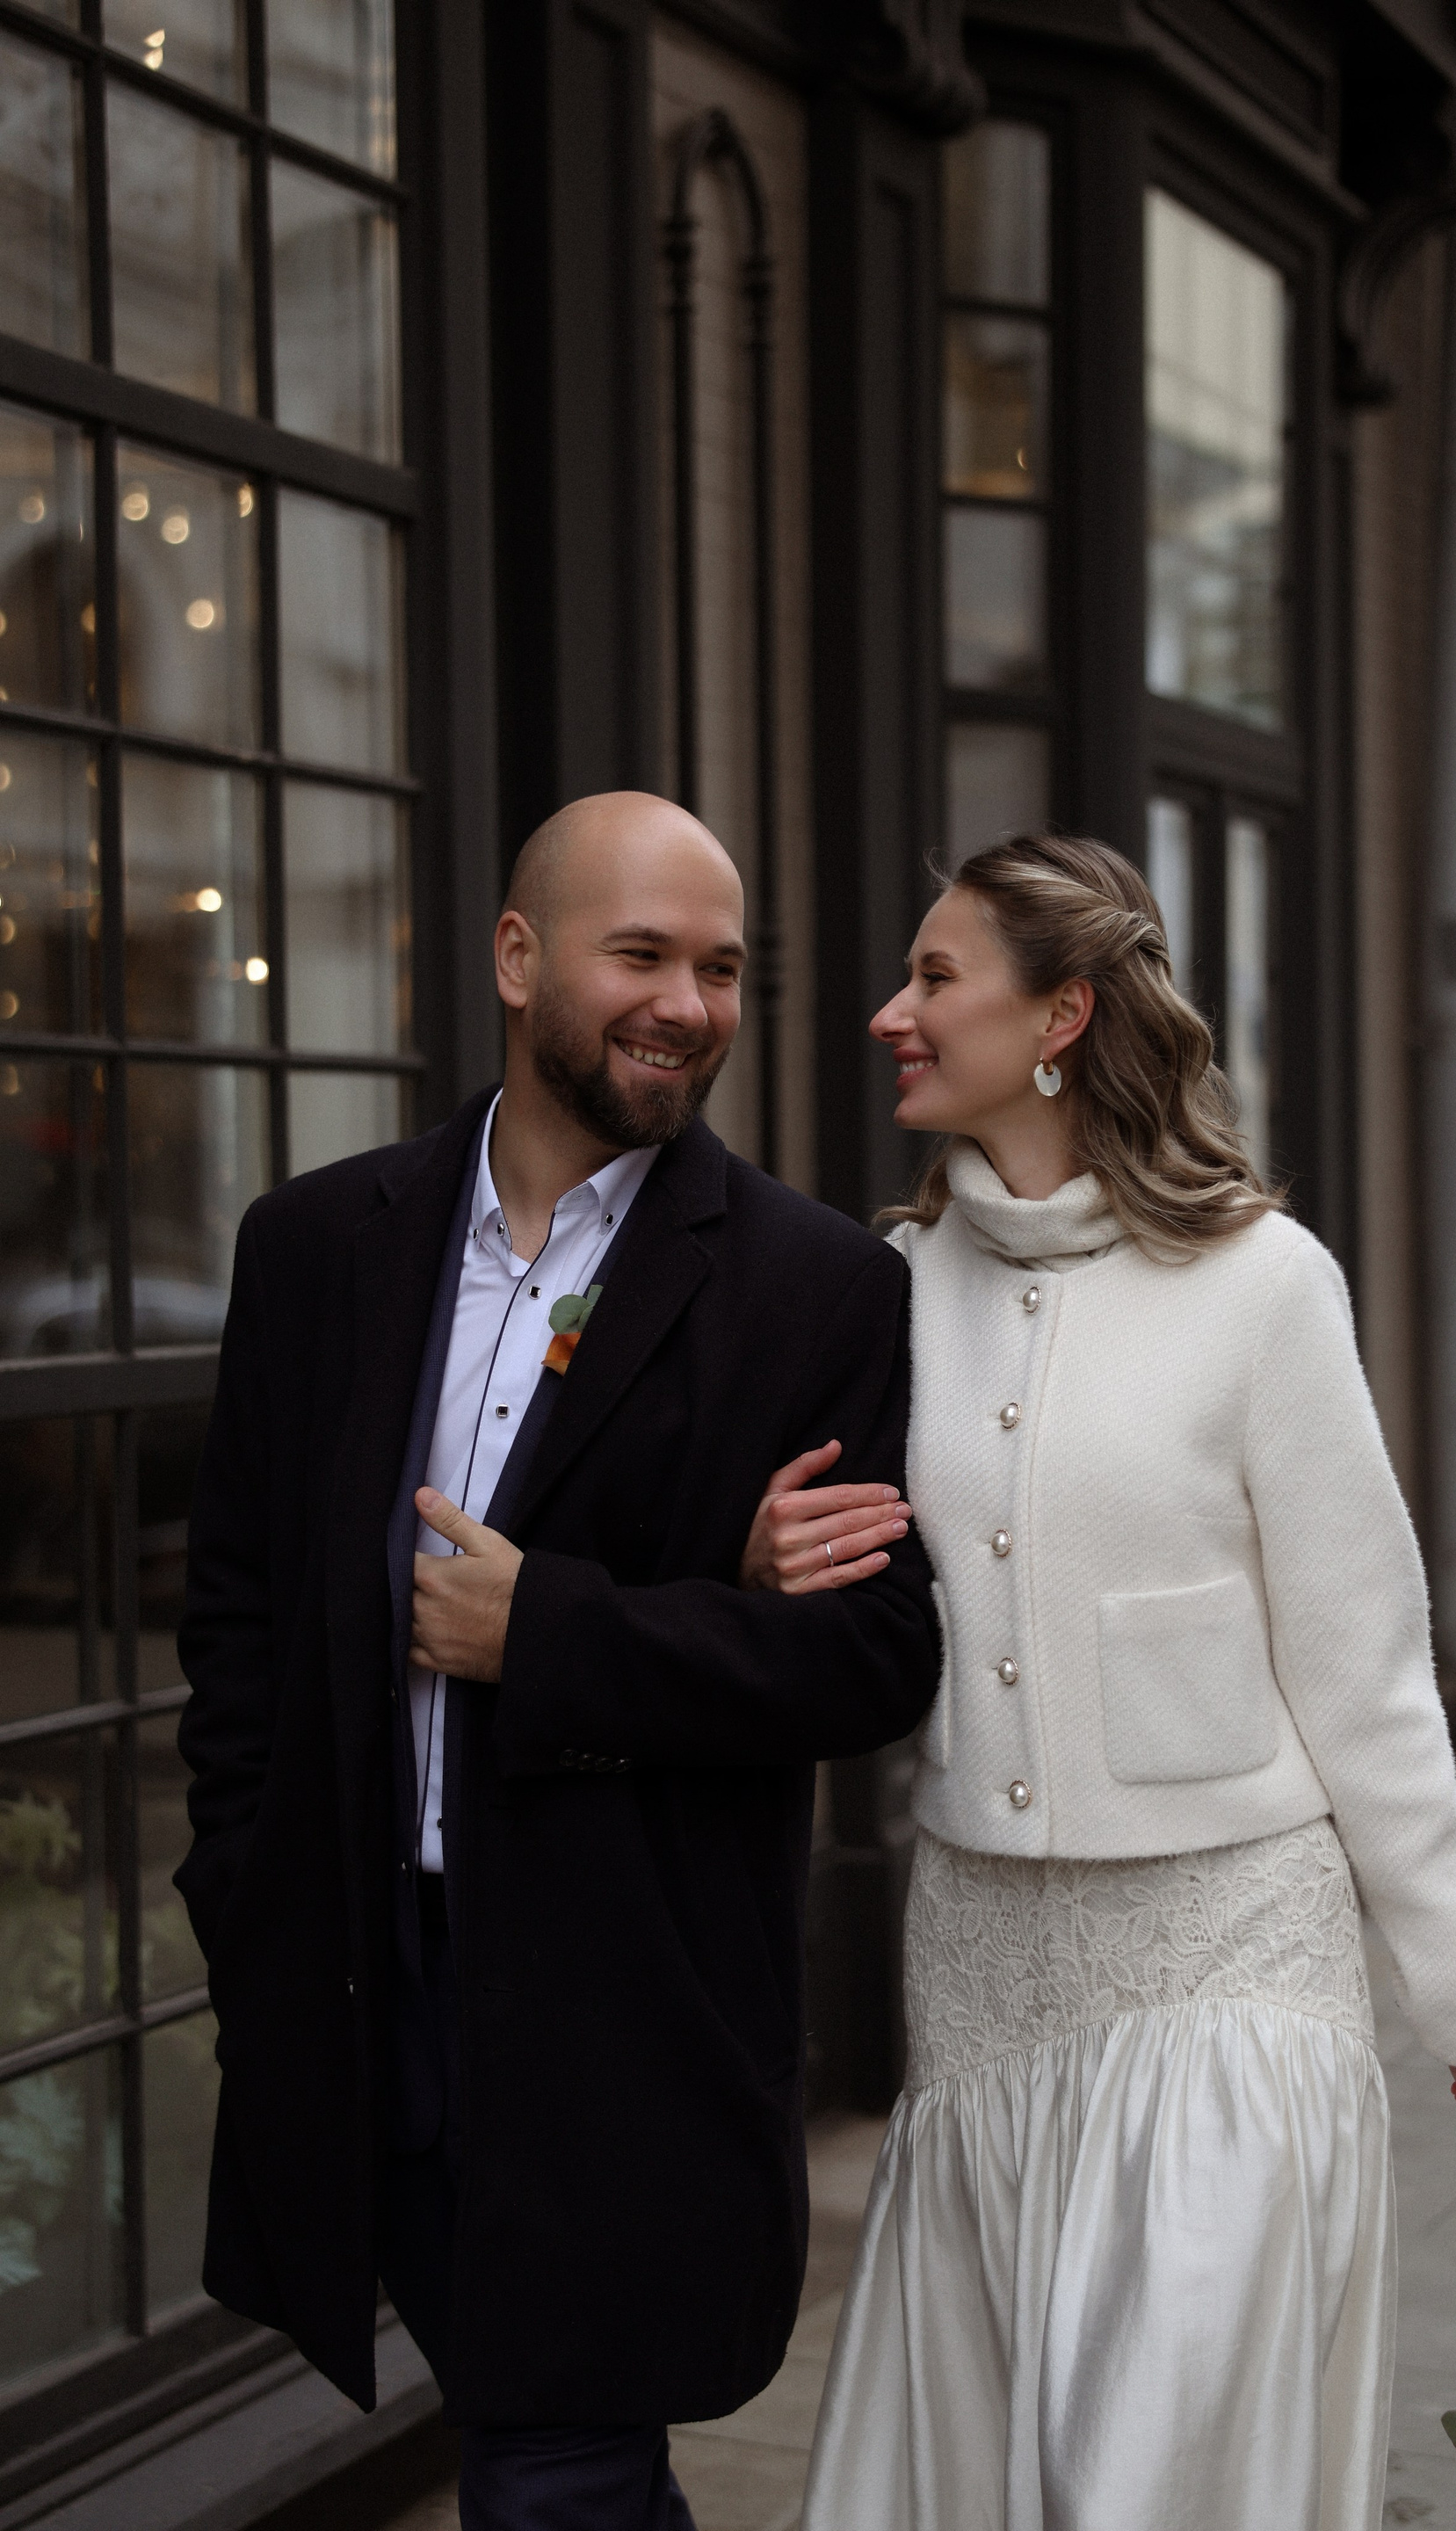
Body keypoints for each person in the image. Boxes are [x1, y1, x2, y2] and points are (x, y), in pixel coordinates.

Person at [174, 791, 939, 2531]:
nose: (688, 1003)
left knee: (550, 2472)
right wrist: (246, 1893)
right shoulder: (316, 1247)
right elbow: (236, 1617)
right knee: (551, 2454)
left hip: (627, 2017)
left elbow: (873, 1659)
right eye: (642, 955)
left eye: (721, 969)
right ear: (517, 959)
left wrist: (554, 1633)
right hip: (370, 1990)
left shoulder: (817, 1288)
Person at [784, 832, 1456, 2530]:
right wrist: (770, 1554)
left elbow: (1370, 1681)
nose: (890, 1014)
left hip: (1231, 1964)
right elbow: (845, 1589)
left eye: (935, 978)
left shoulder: (1265, 1288)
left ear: (1060, 1015)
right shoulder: (892, 1289)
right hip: (983, 1984)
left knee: (1154, 2477)